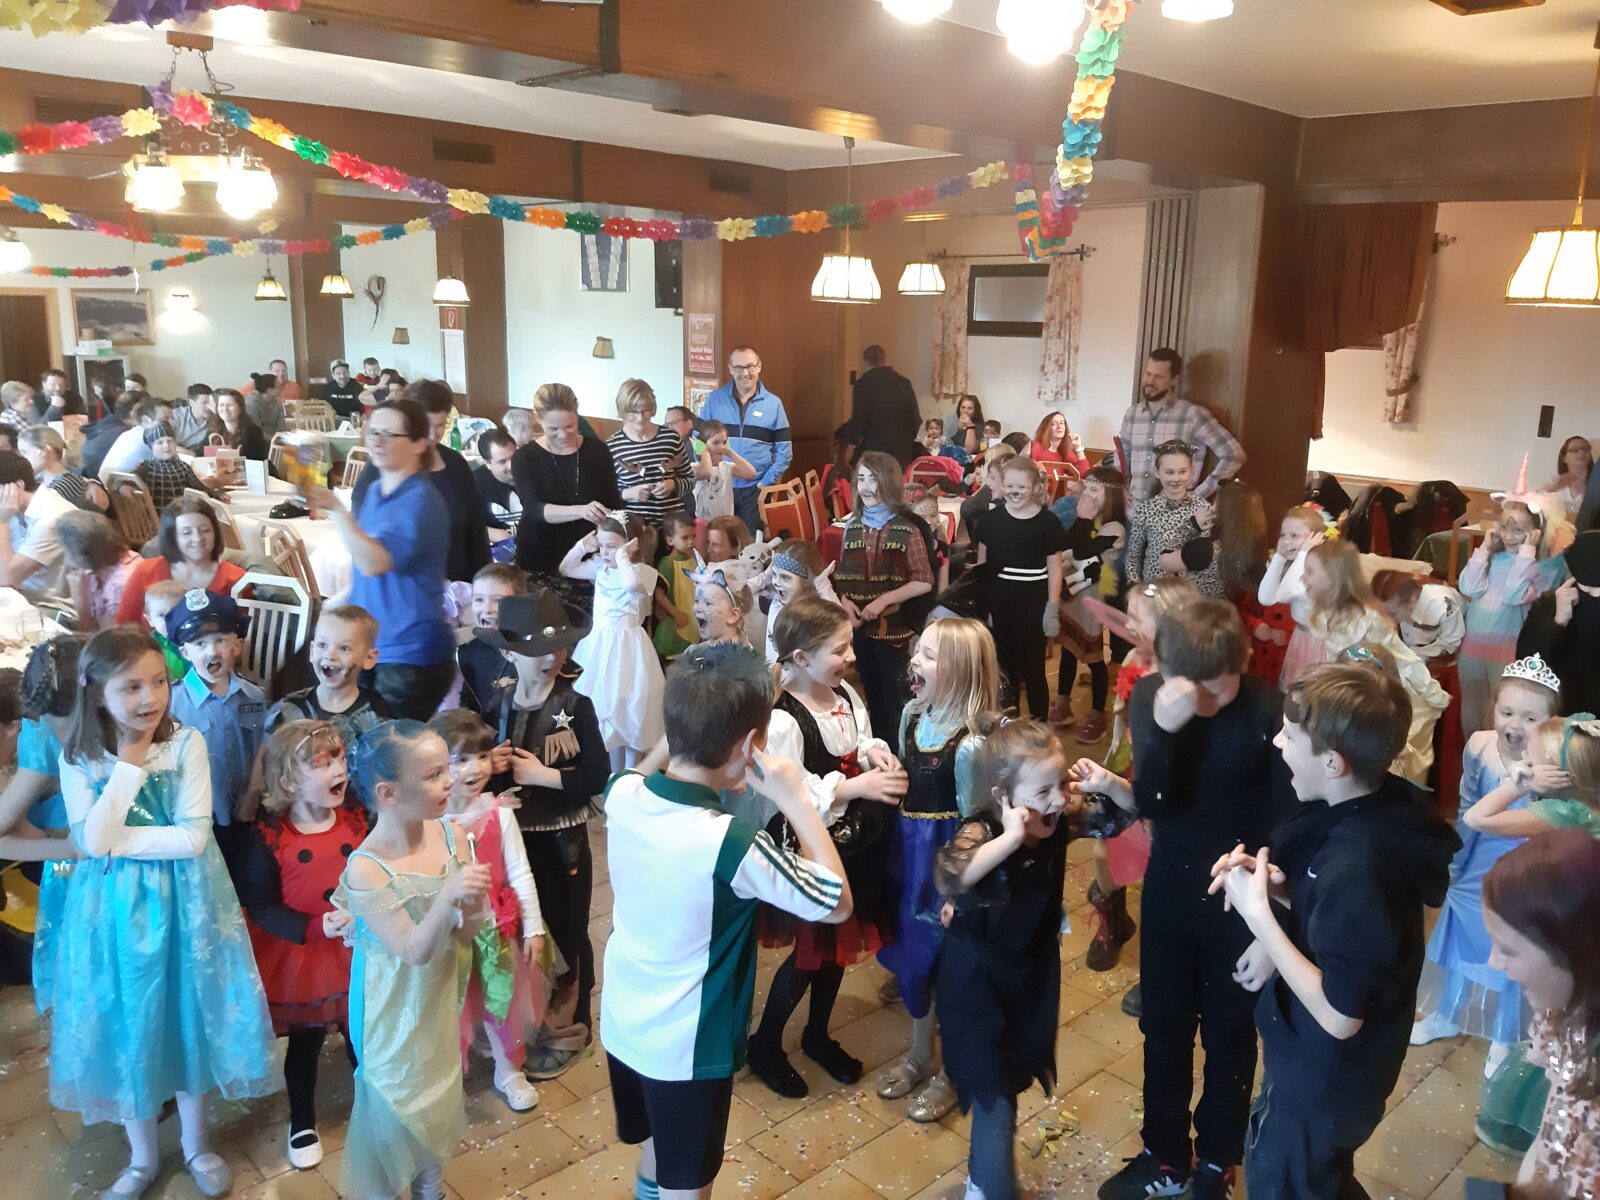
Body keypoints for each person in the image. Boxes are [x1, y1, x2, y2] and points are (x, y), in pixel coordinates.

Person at [601, 641, 850, 1200]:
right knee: (688, 1185)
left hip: (623, 1021)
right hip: (686, 1047)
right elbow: (836, 901)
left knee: (657, 1155)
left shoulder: (623, 795)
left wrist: (679, 742)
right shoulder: (731, 844)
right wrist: (796, 799)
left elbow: (631, 775)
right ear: (748, 746)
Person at [1208, 663, 1459, 1200]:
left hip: (1324, 1086)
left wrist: (1261, 921)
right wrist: (1276, 890)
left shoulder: (1358, 869)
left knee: (1283, 1183)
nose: (1278, 743)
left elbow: (1341, 1015)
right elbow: (1340, 918)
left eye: (1289, 735)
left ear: (1332, 763)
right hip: (1331, 1078)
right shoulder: (1373, 805)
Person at [52, 627, 278, 1200]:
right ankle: (143, 1157)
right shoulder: (79, 756)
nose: (150, 698)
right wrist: (128, 767)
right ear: (95, 689)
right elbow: (90, 840)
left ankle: (197, 1144)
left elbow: (192, 838)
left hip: (188, 903)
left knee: (185, 1015)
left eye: (158, 682)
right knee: (131, 1021)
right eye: (131, 687)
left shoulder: (185, 743)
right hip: (114, 914)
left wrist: (112, 840)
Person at [1085, 598, 1290, 1200]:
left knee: (1231, 1031)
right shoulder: (1155, 696)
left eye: (1213, 688)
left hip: (1241, 893)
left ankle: (1218, 1159)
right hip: (1173, 880)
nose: (1198, 699)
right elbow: (1152, 801)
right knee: (1164, 1024)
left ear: (1243, 663)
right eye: (1186, 685)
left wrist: (1272, 926)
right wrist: (1166, 734)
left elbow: (1288, 822)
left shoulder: (1269, 710)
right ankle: (1166, 1154)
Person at [745, 596, 906, 1098]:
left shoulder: (845, 695)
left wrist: (877, 757)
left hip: (854, 846)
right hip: (810, 848)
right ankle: (765, 1043)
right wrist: (856, 787)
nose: (851, 656)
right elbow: (792, 789)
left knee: (837, 949)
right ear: (800, 658)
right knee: (809, 956)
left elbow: (862, 739)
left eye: (849, 645)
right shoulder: (784, 719)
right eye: (839, 649)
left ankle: (816, 1033)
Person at [335, 721, 491, 1200]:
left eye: (446, 769)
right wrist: (448, 896)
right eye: (433, 775)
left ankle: (430, 1186)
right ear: (388, 793)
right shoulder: (367, 868)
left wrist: (473, 904)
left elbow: (466, 931)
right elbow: (412, 950)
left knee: (437, 1091)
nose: (449, 781)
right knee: (396, 1102)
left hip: (436, 1001)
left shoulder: (452, 836)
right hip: (390, 1010)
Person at [938, 719, 1074, 1200]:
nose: (1058, 800)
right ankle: (992, 1188)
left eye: (1062, 784)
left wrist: (1108, 783)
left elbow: (1124, 813)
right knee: (996, 1104)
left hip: (1027, 981)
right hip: (977, 990)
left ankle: (979, 1184)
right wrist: (1011, 841)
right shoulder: (983, 830)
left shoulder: (1056, 815)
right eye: (1044, 791)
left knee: (1007, 1088)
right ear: (1003, 796)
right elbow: (949, 876)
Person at [477, 588, 610, 1080]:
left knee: (567, 929)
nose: (552, 658)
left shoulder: (577, 705)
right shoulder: (498, 703)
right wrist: (490, 769)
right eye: (538, 649)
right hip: (513, 841)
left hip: (562, 840)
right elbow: (484, 774)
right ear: (511, 654)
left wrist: (544, 776)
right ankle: (530, 1019)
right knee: (527, 932)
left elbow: (597, 775)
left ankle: (570, 1028)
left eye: (559, 647)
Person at [1411, 655, 1561, 1074]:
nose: (1515, 725)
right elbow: (1468, 807)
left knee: (1511, 940)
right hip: (1479, 854)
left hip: (1525, 865)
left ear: (1549, 722)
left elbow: (1554, 823)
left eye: (1530, 718)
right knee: (1461, 928)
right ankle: (1447, 1011)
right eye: (1506, 712)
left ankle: (1503, 1032)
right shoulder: (1479, 744)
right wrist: (1456, 862)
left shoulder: (1553, 762)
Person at [876, 617, 1000, 1125]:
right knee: (914, 959)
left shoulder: (970, 745)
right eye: (918, 650)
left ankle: (950, 1072)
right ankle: (919, 1052)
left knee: (951, 970)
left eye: (928, 655)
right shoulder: (911, 715)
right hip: (908, 862)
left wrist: (957, 892)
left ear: (961, 671)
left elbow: (976, 826)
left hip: (945, 867)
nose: (914, 660)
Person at [238, 719, 365, 1170]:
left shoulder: (358, 820)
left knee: (362, 1032)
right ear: (289, 780)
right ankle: (302, 1121)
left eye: (341, 759)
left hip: (357, 948)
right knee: (306, 1044)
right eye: (323, 763)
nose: (339, 770)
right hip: (304, 957)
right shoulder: (270, 839)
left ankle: (373, 1102)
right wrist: (313, 927)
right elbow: (262, 906)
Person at [429, 709, 549, 1112]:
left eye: (482, 756)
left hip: (497, 927)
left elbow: (519, 870)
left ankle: (508, 1069)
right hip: (448, 932)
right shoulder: (430, 822)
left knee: (503, 999)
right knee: (453, 1002)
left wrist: (533, 927)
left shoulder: (499, 811)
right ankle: (449, 1073)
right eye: (460, 759)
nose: (475, 768)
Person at [313, 399, 455, 721]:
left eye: (389, 434)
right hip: (372, 646)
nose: (377, 441)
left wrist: (336, 510)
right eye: (373, 432)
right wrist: (338, 604)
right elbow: (367, 569)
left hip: (409, 654)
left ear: (419, 444)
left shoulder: (421, 499)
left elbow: (374, 562)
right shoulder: (377, 490)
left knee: (385, 745)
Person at [1480, 829, 1600, 1199]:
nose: (1494, 962)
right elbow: (1554, 1117)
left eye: (1508, 950)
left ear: (1574, 951)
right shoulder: (1562, 1014)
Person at [834, 451, 935, 745]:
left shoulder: (908, 528)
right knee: (872, 695)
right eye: (861, 479)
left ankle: (903, 754)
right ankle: (881, 752)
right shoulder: (852, 526)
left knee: (897, 700)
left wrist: (884, 600)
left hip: (894, 631)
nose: (865, 486)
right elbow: (844, 575)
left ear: (889, 483)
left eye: (873, 479)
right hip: (861, 630)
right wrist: (845, 602)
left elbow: (924, 581)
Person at [352, 379, 489, 585]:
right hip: (405, 588)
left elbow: (476, 531)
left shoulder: (455, 464)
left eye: (440, 425)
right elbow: (364, 537)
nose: (433, 434)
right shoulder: (381, 467)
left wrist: (481, 584)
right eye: (427, 425)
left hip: (460, 586)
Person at [167, 589, 265, 868]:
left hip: (245, 810)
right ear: (185, 652)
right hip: (197, 818)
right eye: (199, 643)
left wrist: (253, 793)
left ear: (237, 645)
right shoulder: (172, 703)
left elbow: (262, 748)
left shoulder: (254, 697)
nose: (212, 651)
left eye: (221, 640)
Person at [560, 513, 666, 770]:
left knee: (631, 706)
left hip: (629, 649)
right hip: (598, 646)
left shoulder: (643, 572)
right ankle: (610, 771)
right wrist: (583, 546)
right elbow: (566, 568)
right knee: (604, 706)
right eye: (601, 545)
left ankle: (632, 771)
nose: (604, 552)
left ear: (632, 545)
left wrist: (623, 558)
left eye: (611, 546)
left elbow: (630, 585)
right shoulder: (600, 568)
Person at [976, 454, 1067, 720]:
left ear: (1035, 487)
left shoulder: (1048, 523)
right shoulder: (990, 521)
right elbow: (983, 567)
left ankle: (1039, 727)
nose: (1015, 492)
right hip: (1000, 608)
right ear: (1002, 485)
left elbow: (1055, 568)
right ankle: (1009, 727)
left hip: (1033, 608)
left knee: (1034, 670)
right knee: (1005, 671)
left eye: (1022, 487)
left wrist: (1052, 608)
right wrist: (983, 607)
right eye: (1010, 486)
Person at [511, 382, 625, 591]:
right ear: (537, 418)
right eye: (553, 429)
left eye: (570, 426)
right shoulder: (525, 457)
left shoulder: (597, 450)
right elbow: (534, 509)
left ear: (577, 415)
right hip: (540, 557)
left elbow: (614, 502)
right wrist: (581, 510)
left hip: (589, 559)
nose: (563, 435)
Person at [1460, 500, 1560, 736]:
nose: (1508, 536)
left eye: (1518, 530)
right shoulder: (1493, 558)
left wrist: (1526, 552)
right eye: (1504, 527)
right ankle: (1474, 751)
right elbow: (1468, 586)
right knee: (1472, 710)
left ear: (1535, 533)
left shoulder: (1540, 567)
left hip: (1506, 649)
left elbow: (1514, 594)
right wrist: (1484, 548)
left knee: (1501, 709)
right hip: (1473, 647)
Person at [1053, 464, 1126, 737]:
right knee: (1068, 650)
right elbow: (1068, 543)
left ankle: (1098, 713)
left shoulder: (1115, 527)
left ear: (1112, 495)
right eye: (1087, 489)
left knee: (1094, 657)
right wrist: (1081, 520)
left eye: (1095, 490)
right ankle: (1062, 702)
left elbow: (1083, 552)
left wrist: (1083, 519)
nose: (1087, 495)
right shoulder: (1087, 520)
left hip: (1092, 599)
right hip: (1073, 596)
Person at [1117, 348, 1246, 503]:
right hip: (1135, 510)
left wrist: (1197, 496)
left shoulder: (1192, 415)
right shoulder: (1132, 415)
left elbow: (1234, 454)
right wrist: (1121, 493)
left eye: (1158, 377)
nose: (1150, 381)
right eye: (1148, 374)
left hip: (1175, 512)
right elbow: (1121, 459)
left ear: (1174, 380)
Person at [699, 345, 793, 535]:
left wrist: (765, 483)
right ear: (730, 369)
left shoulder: (774, 404)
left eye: (750, 366)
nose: (745, 373)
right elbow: (697, 442)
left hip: (755, 490)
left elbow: (785, 452)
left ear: (759, 366)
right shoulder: (714, 399)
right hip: (719, 486)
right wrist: (708, 471)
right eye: (739, 367)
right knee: (720, 542)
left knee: (751, 544)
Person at [267, 604, 391, 746]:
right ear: (312, 651)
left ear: (369, 658)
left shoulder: (376, 716)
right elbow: (267, 756)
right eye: (322, 645)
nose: (330, 655)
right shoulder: (288, 710)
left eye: (344, 648)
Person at [116, 495, 245, 624]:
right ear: (172, 537)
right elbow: (124, 623)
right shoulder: (146, 571)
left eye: (205, 530)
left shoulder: (236, 579)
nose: (197, 538)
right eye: (186, 532)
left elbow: (244, 630)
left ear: (215, 533)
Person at [1516, 529, 1600, 715]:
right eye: (1590, 589)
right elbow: (1529, 668)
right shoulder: (1548, 606)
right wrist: (1558, 623)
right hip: (1557, 716)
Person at [1124, 440, 1222, 595]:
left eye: (1182, 471)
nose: (1176, 478)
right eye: (1169, 472)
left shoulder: (1203, 509)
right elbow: (1133, 556)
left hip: (1190, 595)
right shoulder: (1146, 509)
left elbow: (1211, 558)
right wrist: (1133, 587)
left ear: (1191, 470)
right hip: (1155, 593)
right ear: (1157, 472)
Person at [1257, 504, 1330, 684]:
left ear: (1316, 538)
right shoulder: (1296, 565)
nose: (1286, 541)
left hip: (1321, 644)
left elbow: (1285, 595)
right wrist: (1279, 557)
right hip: (1302, 637)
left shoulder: (1318, 571)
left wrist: (1303, 552)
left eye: (1294, 535)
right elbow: (1265, 598)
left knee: (1311, 689)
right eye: (1283, 534)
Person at [607, 378, 693, 529]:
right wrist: (628, 493)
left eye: (645, 411)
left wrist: (673, 484)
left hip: (672, 529)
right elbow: (607, 493)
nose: (640, 418)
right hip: (636, 530)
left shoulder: (671, 438)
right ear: (623, 412)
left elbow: (690, 480)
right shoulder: (612, 446)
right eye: (633, 412)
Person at [0, 449, 76, 598]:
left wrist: (2, 521)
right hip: (21, 596)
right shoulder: (13, 508)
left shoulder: (49, 519)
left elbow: (6, 578)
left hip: (48, 605)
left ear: (18, 486)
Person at [456, 564, 524, 722]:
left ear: (521, 604)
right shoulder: (469, 653)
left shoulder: (539, 650)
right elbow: (470, 703)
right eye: (479, 599)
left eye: (498, 601)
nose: (487, 609)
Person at [756, 538, 838, 666]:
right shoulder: (775, 602)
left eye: (785, 577)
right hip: (776, 677)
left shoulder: (814, 612)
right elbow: (740, 593)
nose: (776, 582)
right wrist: (766, 575)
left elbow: (840, 622)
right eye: (774, 575)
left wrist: (822, 584)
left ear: (806, 581)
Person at [55, 510, 139, 631]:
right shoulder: (98, 562)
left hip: (117, 640)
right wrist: (71, 556)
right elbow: (61, 593)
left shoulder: (120, 585)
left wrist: (80, 601)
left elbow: (107, 639)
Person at [846, 344, 921, 468]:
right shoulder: (904, 384)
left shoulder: (862, 385)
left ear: (865, 363)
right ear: (883, 361)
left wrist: (848, 453)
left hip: (872, 457)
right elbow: (916, 421)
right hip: (901, 457)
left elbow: (858, 424)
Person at [1371, 568, 1467, 661]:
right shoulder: (1402, 607)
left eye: (1392, 614)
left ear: (1411, 599)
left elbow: (1451, 642)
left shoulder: (1443, 608)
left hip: (1450, 635)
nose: (1387, 618)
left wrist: (1416, 653)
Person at [21, 424, 109, 514]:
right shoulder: (43, 481)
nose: (22, 459)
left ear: (45, 450)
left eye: (25, 452)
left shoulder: (63, 486)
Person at [133, 421, 215, 510]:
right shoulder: (147, 466)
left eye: (170, 441)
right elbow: (129, 478)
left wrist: (216, 495)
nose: (166, 445)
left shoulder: (183, 466)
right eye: (160, 442)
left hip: (180, 514)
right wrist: (126, 485)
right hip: (156, 515)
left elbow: (200, 488)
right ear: (151, 447)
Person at [690, 418, 757, 521]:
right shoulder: (695, 467)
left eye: (724, 442)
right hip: (703, 523)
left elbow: (751, 473)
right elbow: (707, 472)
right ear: (702, 445)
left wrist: (729, 451)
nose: (722, 447)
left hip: (725, 523)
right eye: (716, 442)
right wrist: (704, 452)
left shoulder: (727, 467)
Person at [98, 396, 173, 484]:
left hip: (107, 487)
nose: (171, 424)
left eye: (172, 419)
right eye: (165, 419)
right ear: (146, 421)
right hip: (124, 489)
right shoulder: (150, 439)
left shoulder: (128, 434)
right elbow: (174, 464)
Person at [475, 428, 524, 550]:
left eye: (514, 457)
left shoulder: (532, 471)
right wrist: (495, 534)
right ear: (487, 463)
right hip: (497, 550)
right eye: (502, 462)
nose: (511, 465)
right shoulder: (475, 483)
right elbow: (466, 525)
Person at [79, 391, 138, 481]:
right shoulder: (125, 435)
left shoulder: (104, 425)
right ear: (133, 413)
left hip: (91, 480)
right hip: (105, 484)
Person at [1542, 434, 1591, 520]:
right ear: (1564, 458)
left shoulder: (1596, 485)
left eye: (1585, 449)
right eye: (1575, 450)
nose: (1581, 452)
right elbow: (1533, 510)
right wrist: (1553, 488)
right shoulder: (1555, 483)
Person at [213, 388, 268, 460]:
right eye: (221, 405)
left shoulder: (253, 432)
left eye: (230, 405)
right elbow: (201, 453)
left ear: (240, 408)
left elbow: (257, 460)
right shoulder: (214, 430)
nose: (225, 409)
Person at [1029, 411, 1090, 475]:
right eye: (1053, 424)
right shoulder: (1035, 446)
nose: (1059, 426)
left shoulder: (1066, 452)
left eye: (1062, 423)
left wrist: (1079, 448)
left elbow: (1082, 474)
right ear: (1046, 428)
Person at [171, 384, 217, 453]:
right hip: (176, 454)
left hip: (201, 455)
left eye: (210, 403)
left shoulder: (215, 418)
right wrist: (189, 453)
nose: (209, 407)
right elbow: (163, 442)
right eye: (204, 403)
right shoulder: (175, 416)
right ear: (191, 402)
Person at [245, 372, 288, 444]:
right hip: (259, 441)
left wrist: (285, 438)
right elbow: (256, 431)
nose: (282, 389)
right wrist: (275, 440)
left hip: (276, 440)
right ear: (269, 390)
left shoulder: (277, 402)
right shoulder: (252, 403)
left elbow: (282, 427)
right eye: (279, 387)